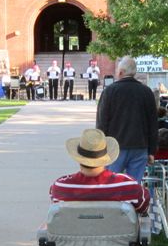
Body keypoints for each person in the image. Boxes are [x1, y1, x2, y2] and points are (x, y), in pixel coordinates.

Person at [49, 128, 150, 213]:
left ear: (78, 157)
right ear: (105, 157)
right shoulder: (127, 185)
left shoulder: (60, 187)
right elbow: (143, 206)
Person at [96, 55, 158, 183]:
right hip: (140, 146)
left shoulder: (110, 91)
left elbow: (102, 122)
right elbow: (153, 123)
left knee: (112, 184)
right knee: (134, 186)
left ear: (120, 72)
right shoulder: (146, 92)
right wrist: (152, 150)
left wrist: (100, 147)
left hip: (115, 147)